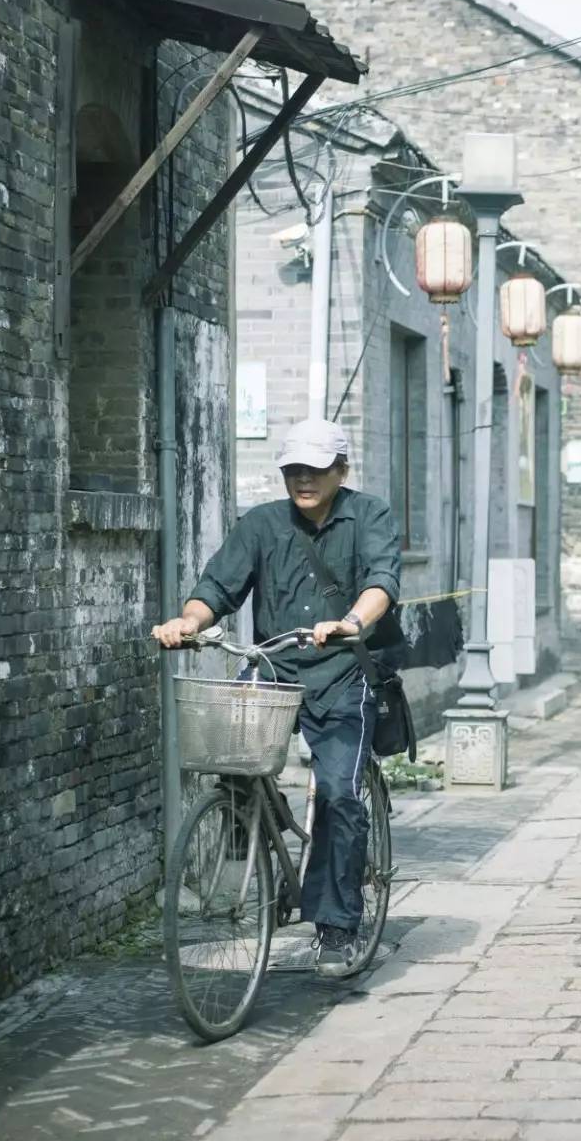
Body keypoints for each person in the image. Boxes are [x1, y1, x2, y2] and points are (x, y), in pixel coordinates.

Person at [151, 418, 400, 979]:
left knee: (338, 792)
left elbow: (382, 582)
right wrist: (187, 621)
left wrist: (351, 622)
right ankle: (266, 832)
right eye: (293, 469)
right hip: (274, 667)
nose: (303, 479)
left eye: (315, 469)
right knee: (229, 759)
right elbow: (218, 587)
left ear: (341, 469)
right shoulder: (261, 524)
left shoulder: (370, 516)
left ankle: (337, 925)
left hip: (342, 673)